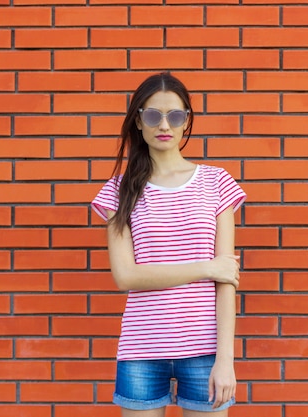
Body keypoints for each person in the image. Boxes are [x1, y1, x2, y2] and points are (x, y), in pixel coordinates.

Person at [91, 72, 246, 417]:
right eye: (153, 115)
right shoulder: (120, 190)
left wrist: (226, 360)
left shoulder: (217, 182)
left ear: (186, 120)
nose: (164, 125)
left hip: (205, 350)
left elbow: (226, 283)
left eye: (175, 116)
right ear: (139, 121)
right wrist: (206, 267)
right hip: (141, 350)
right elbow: (126, 277)